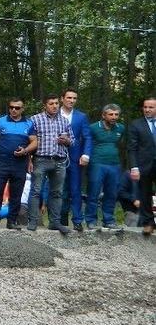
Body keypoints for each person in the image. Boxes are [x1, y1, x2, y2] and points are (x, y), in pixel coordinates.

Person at [0, 98, 37, 230]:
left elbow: (35, 142)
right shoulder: (0, 121)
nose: (14, 110)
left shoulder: (29, 123)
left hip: (20, 163)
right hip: (2, 161)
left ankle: (12, 221)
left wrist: (25, 151)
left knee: (16, 193)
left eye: (17, 108)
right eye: (11, 107)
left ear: (22, 109)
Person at [28, 93, 75, 234]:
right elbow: (28, 141)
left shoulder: (64, 121)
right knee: (36, 191)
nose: (54, 106)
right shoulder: (35, 119)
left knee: (57, 193)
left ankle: (55, 222)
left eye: (56, 103)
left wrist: (66, 141)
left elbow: (73, 141)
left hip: (59, 160)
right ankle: (33, 221)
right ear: (45, 105)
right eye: (51, 104)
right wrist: (29, 160)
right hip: (40, 159)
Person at [84, 104, 124, 230]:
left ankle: (108, 219)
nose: (114, 117)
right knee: (93, 192)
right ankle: (91, 220)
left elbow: (120, 145)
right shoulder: (93, 127)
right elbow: (86, 143)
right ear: (103, 115)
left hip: (114, 164)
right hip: (97, 163)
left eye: (116, 114)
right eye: (111, 114)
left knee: (111, 193)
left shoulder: (121, 128)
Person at [58, 89, 93, 231]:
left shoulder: (81, 116)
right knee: (59, 189)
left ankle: (77, 220)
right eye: (69, 97)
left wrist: (86, 154)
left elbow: (87, 137)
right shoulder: (54, 113)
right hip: (56, 156)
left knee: (75, 189)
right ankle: (61, 220)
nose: (71, 100)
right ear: (62, 99)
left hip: (75, 157)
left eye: (74, 98)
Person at [126, 96, 156, 235]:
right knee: (145, 194)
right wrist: (134, 167)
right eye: (145, 107)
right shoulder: (136, 124)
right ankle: (148, 223)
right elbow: (132, 148)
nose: (147, 110)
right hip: (144, 165)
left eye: (151, 107)